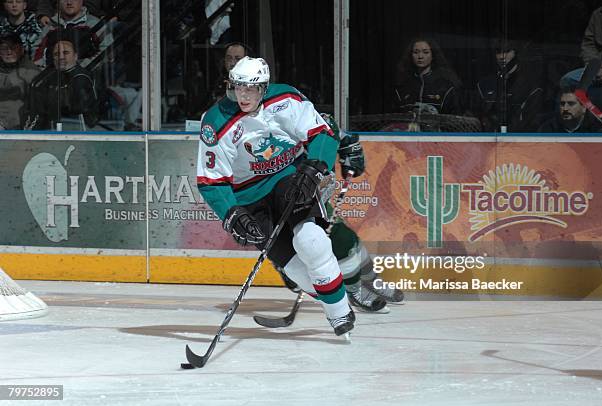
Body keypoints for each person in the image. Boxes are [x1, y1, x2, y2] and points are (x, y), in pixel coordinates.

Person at [196, 56, 355, 336]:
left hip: (288, 178)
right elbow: (212, 180)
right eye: (237, 87)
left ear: (264, 88)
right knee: (293, 267)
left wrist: (315, 167)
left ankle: (340, 313)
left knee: (311, 240)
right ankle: (334, 294)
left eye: (250, 89)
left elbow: (322, 133)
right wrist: (231, 214)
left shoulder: (286, 98)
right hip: (247, 195)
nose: (242, 95)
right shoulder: (216, 121)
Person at [275, 113, 405, 313]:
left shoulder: (315, 119)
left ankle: (372, 281)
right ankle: (354, 290)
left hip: (316, 195)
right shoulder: (281, 132)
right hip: (293, 199)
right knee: (338, 241)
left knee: (348, 240)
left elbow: (342, 137)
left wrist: (350, 150)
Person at [29, 29, 98, 130]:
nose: (61, 57)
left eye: (65, 53)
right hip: (53, 130)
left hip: (78, 131)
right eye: (56, 54)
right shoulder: (47, 79)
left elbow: (78, 111)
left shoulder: (81, 78)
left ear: (75, 56)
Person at [476, 40, 544, 132]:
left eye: (507, 51)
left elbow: (531, 122)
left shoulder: (530, 85)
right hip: (488, 140)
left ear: (516, 52)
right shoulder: (484, 84)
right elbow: (477, 117)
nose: (502, 56)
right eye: (498, 52)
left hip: (520, 141)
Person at [393, 37, 463, 116]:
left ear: (433, 55)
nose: (420, 56)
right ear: (410, 55)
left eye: (425, 52)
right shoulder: (402, 89)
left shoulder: (446, 88)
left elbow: (455, 120)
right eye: (416, 52)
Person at [32, 0, 113, 70]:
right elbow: (36, 52)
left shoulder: (95, 24)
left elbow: (108, 52)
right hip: (52, 77)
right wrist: (44, 69)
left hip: (87, 77)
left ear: (81, 1)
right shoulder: (50, 26)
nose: (69, 2)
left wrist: (79, 67)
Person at [0, 31, 39, 129]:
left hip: (18, 129)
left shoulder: (32, 72)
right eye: (4, 48)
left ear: (21, 49)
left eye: (14, 48)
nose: (9, 52)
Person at [538, 86, 602, 133]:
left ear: (584, 107)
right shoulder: (548, 128)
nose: (565, 108)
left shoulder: (597, 129)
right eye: (562, 104)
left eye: (571, 104)